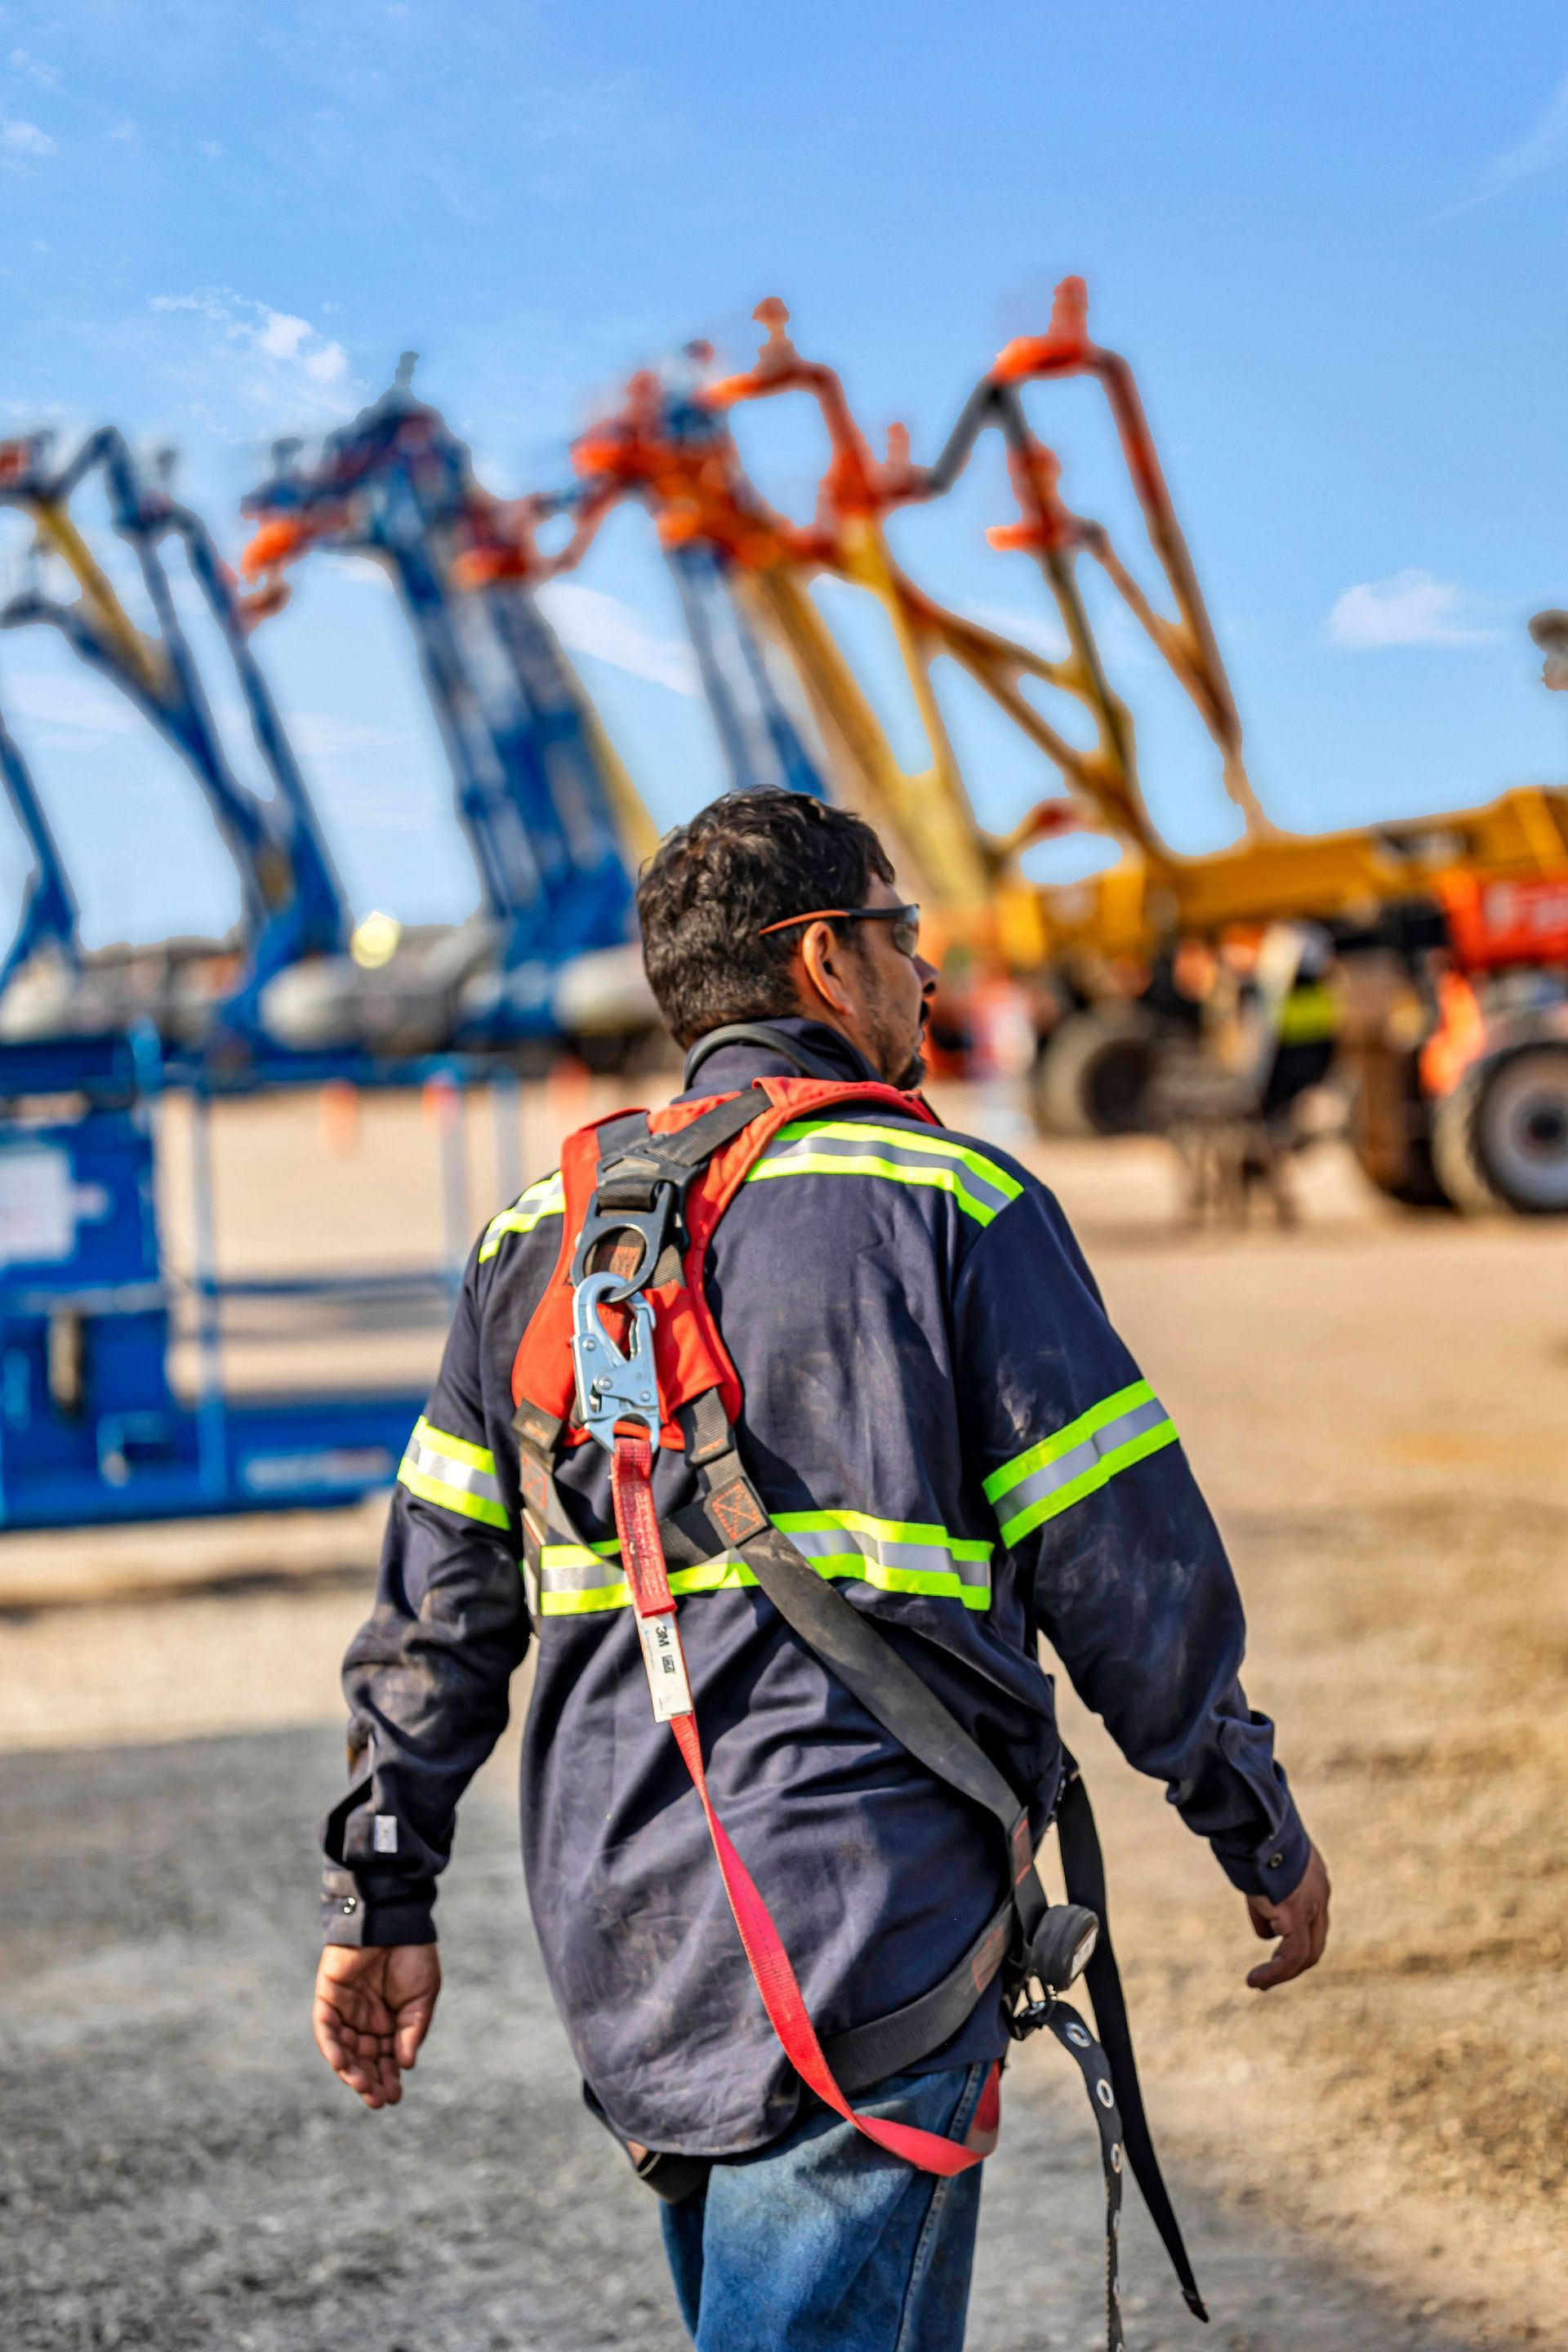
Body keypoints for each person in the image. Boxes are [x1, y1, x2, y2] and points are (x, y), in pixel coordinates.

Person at [312, 788, 1330, 2352]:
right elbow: (1128, 1564)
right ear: (821, 964)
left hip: (633, 1949)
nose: (925, 976)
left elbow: (434, 1609)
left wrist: (380, 1882)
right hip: (866, 1942)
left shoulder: (537, 1239)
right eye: (902, 935)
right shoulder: (950, 1203)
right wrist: (1252, 1821)